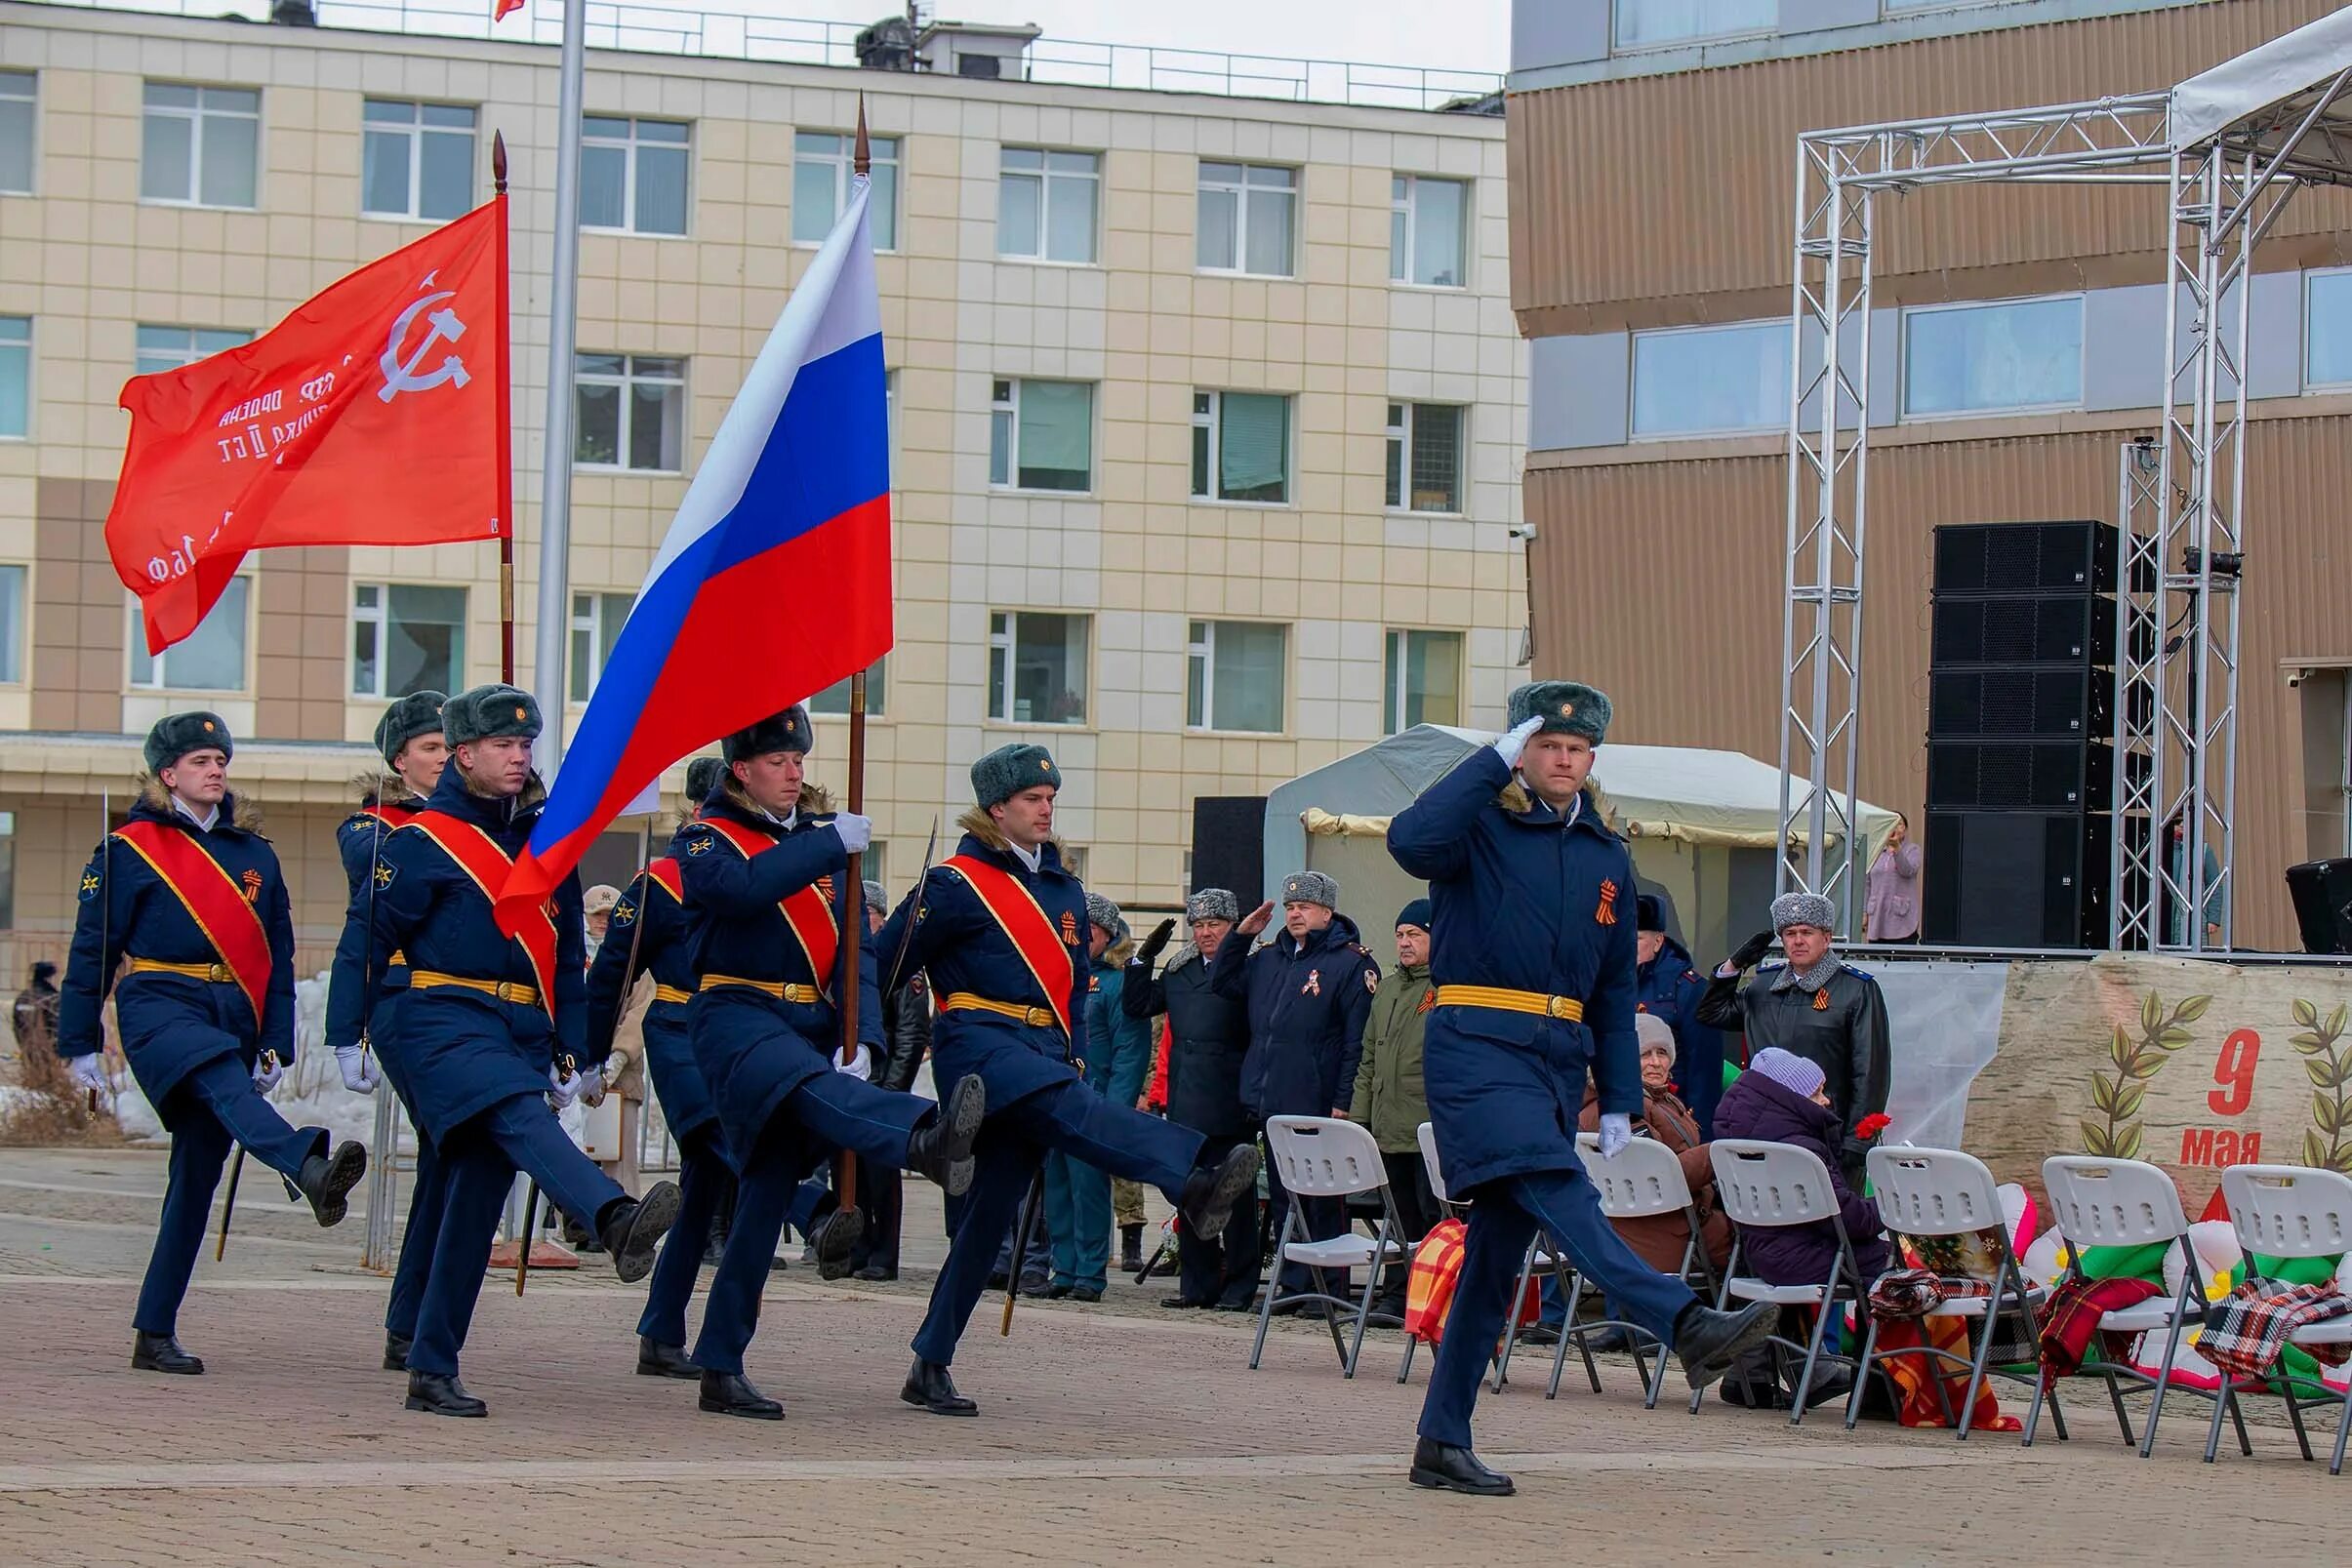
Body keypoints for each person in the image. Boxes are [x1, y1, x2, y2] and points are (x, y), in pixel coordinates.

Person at [1386, 679, 1776, 1496]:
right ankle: (1683, 1321)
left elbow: (1610, 991)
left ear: (1591, 757)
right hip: (1476, 1046)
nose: (1562, 760)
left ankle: (1440, 1439)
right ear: (1521, 753)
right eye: (1545, 746)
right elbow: (1411, 841)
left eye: (1576, 749)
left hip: (1555, 1061)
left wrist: (1623, 1096)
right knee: (1563, 1193)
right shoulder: (1478, 825)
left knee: (1494, 1265)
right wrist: (1481, 764)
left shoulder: (1605, 853)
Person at [877, 743, 1262, 1416]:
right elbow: (883, 964)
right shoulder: (953, 883)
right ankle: (1195, 1173)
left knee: (989, 1214)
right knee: (1079, 1115)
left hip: (1042, 1053)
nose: (1046, 808)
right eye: (1032, 799)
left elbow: (1075, 987)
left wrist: (1077, 1052)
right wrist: (860, 1040)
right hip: (980, 1047)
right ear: (996, 808)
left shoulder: (1062, 888)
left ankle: (929, 1358)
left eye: (1050, 798)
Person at [331, 683, 681, 1418]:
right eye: (503, 745)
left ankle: (431, 1365)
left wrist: (573, 1048)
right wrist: (345, 1031)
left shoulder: (547, 840)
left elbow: (560, 956)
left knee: (472, 1194)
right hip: (439, 1016)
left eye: (526, 745)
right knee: (519, 1116)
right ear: (463, 754)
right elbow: (365, 941)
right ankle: (611, 1216)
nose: (519, 756)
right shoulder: (419, 841)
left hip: (515, 1030)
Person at [676, 705, 985, 1420]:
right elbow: (739, 892)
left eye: (798, 759)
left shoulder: (822, 846)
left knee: (760, 1202)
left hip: (809, 1027)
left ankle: (720, 1362)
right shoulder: (705, 838)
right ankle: (924, 1134)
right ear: (741, 771)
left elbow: (857, 955)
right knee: (802, 1093)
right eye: (778, 761)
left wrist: (866, 1040)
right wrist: (828, 848)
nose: (794, 772)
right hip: (736, 1018)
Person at [61, 711, 371, 1377]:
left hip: (229, 1008)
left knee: (197, 1176)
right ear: (168, 773)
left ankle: (154, 1328)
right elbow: (94, 946)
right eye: (200, 760)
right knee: (218, 1083)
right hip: (157, 1003)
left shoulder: (253, 854)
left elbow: (277, 953)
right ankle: (306, 1164)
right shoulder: (130, 848)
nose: (215, 769)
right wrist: (79, 1039)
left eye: (221, 759)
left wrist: (273, 1040)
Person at [587, 756, 729, 1380]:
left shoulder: (756, 874)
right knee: (727, 1146)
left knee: (703, 1193)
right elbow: (609, 977)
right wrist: (589, 1054)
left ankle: (660, 1330)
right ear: (698, 811)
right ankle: (814, 1211)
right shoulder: (662, 885)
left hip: (741, 1034)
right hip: (678, 1029)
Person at [326, 689, 447, 1374]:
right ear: (399, 761)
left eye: (446, 746)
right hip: (403, 1000)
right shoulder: (373, 827)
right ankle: (413, 1323)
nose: (440, 759)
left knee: (447, 1161)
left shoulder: (484, 821)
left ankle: (413, 1322)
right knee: (449, 1147)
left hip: (467, 1008)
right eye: (428, 748)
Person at [1209, 870, 1380, 1307]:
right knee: (1286, 1198)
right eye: (1290, 907)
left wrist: (1344, 1101)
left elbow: (1355, 1042)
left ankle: (1327, 1289)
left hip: (1317, 1099)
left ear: (1327, 911)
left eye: (1304, 907)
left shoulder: (1350, 963)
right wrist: (1241, 938)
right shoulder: (1270, 958)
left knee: (1323, 1196)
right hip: (1273, 1099)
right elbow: (1224, 984)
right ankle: (1294, 1284)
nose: (1295, 914)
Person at [1125, 889, 1259, 1312]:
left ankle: (1239, 1287)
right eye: (1199, 925)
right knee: (1191, 1197)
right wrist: (1142, 960)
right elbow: (1138, 1005)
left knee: (1236, 1202)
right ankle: (1197, 1285)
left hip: (1230, 1097)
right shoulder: (1180, 971)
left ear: (1232, 926)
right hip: (1186, 1102)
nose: (1205, 933)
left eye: (1214, 925)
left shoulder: (1249, 968)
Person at [1696, 891, 1890, 1176]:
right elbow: (1711, 1013)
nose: (1798, 940)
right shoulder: (1764, 987)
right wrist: (1733, 966)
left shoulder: (1856, 990)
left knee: (1831, 1218)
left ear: (1826, 938)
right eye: (1789, 933)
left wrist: (1857, 1142)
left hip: (1827, 1133)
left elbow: (1869, 1072)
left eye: (1807, 932)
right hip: (1765, 1130)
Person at [1711, 1047, 1886, 1288]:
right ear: (1792, 1099)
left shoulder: (1736, 1140)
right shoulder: (1798, 1149)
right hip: (1812, 1257)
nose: (1826, 1101)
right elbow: (1848, 1221)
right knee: (1900, 1263)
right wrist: (1891, 1203)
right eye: (1816, 1093)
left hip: (1756, 1256)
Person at [1040, 893, 1143, 1302]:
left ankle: (1090, 1273)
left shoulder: (1117, 984)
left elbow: (1129, 1053)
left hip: (1093, 1098)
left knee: (1090, 1190)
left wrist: (1113, 1110)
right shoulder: (1060, 975)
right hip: (1057, 1095)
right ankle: (1063, 1268)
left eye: (1091, 932)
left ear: (1108, 936)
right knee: (1058, 1188)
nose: (1083, 939)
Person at [1575, 1014, 1730, 1278]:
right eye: (1645, 1054)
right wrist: (1719, 1152)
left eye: (1662, 1052)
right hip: (1670, 1236)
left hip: (1638, 1236)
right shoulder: (1622, 1109)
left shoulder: (1661, 1100)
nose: (1656, 1063)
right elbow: (1656, 1177)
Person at [1350, 899, 1439, 1320]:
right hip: (1387, 1124)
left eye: (1414, 935)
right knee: (1398, 1217)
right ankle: (1395, 1294)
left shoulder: (1446, 987)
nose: (1404, 943)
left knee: (1430, 1215)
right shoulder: (1385, 989)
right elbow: (1368, 1058)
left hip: (1427, 1125)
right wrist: (1358, 1120)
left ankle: (1427, 1296)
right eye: (1400, 935)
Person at [851, 875, 932, 1282]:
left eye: (867, 913)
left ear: (882, 917)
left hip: (883, 1085)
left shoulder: (903, 966)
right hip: (852, 1083)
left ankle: (884, 1254)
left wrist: (893, 1090)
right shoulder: (851, 959)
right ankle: (857, 1247)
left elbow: (911, 1034)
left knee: (881, 1176)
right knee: (850, 1175)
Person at [1634, 894, 1723, 1139]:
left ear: (1658, 941)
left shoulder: (1690, 989)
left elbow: (1704, 1071)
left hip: (1672, 1114)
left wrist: (1697, 1129)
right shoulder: (1610, 984)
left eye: (1638, 938)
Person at [1862, 815, 1923, 944]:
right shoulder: (1876, 850)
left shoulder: (1912, 850)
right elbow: (1867, 884)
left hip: (1901, 917)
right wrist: (1864, 912)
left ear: (1905, 828)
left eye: (1899, 824)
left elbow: (1907, 871)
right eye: (1891, 823)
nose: (1895, 827)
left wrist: (1897, 849)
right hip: (1877, 915)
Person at [12, 960, 58, 1050]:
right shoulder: (52, 998)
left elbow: (16, 1025)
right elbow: (56, 1027)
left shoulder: (23, 997)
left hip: (26, 1047)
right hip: (48, 1052)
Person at [583, 884, 621, 959]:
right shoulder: (570, 948)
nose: (604, 921)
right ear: (584, 915)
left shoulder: (632, 950)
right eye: (597, 914)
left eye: (610, 916)